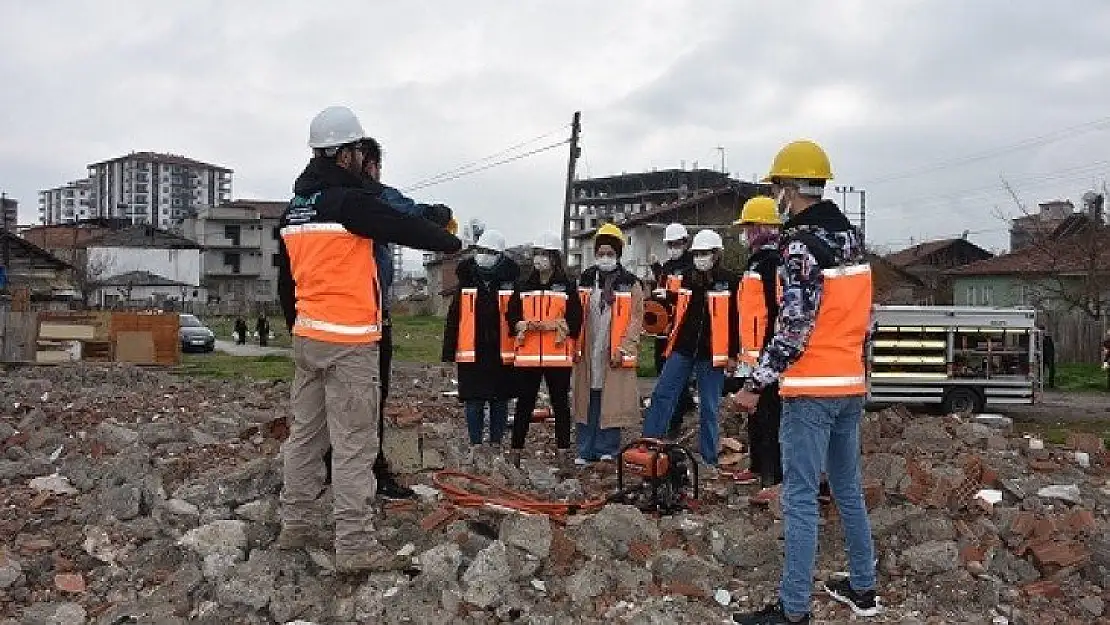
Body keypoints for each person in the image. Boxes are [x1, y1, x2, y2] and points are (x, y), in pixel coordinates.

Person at [276, 105, 461, 574]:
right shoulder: (349, 204)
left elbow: (286, 283)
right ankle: (355, 546)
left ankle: (293, 526)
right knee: (356, 444)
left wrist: (296, 324)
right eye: (359, 149)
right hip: (350, 340)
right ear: (344, 153)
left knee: (305, 439)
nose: (363, 157)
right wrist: (451, 243)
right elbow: (404, 225)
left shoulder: (295, 209)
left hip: (309, 338)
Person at [731, 140, 878, 624]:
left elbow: (794, 324)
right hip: (849, 386)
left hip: (811, 389)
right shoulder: (851, 239)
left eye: (777, 187)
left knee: (798, 497)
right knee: (847, 489)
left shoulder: (799, 245)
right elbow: (865, 319)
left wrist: (756, 383)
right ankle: (863, 587)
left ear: (790, 188)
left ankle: (793, 610)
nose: (776, 196)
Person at [642, 229, 739, 477]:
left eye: (705, 253)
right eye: (697, 253)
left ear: (717, 254)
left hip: (712, 353)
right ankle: (649, 447)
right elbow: (673, 304)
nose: (700, 257)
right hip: (683, 348)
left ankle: (708, 459)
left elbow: (736, 321)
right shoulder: (685, 278)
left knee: (709, 406)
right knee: (663, 395)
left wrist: (733, 354)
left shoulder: (730, 281)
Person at [507, 232, 583, 468]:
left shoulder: (566, 286)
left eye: (544, 254)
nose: (539, 259)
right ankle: (516, 452)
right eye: (536, 254)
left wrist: (557, 327)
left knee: (560, 405)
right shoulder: (523, 286)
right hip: (528, 356)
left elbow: (576, 320)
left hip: (557, 357)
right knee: (524, 405)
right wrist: (520, 324)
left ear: (554, 258)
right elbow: (511, 315)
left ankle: (563, 453)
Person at [442, 229, 520, 449]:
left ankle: (496, 443)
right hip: (472, 352)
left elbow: (518, 315)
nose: (483, 255)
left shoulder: (510, 283)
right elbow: (454, 318)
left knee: (500, 400)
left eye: (489, 251)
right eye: (481, 250)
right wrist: (448, 353)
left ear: (500, 255)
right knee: (473, 401)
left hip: (501, 352)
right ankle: (475, 444)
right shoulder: (466, 280)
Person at [572, 224, 644, 464]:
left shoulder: (630, 282)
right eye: (601, 253)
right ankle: (585, 449)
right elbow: (574, 313)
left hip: (614, 349)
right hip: (589, 346)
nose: (605, 257)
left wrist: (625, 347)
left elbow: (636, 318)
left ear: (618, 254)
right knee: (587, 399)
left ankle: (607, 448)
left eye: (609, 253)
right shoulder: (584, 279)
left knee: (610, 401)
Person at [731, 196, 784, 504]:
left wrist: (769, 354)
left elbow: (776, 312)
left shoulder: (773, 264)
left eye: (750, 226)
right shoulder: (755, 262)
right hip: (751, 356)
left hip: (767, 355)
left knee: (770, 416)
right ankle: (757, 466)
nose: (746, 233)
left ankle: (775, 478)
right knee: (756, 414)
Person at [649, 222, 697, 437]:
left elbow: (689, 298)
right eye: (670, 244)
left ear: (685, 243)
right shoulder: (667, 267)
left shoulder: (692, 267)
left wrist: (669, 296)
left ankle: (675, 420)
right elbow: (659, 290)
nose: (673, 247)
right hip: (663, 329)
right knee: (662, 371)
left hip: (682, 329)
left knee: (677, 376)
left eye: (676, 244)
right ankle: (674, 413)